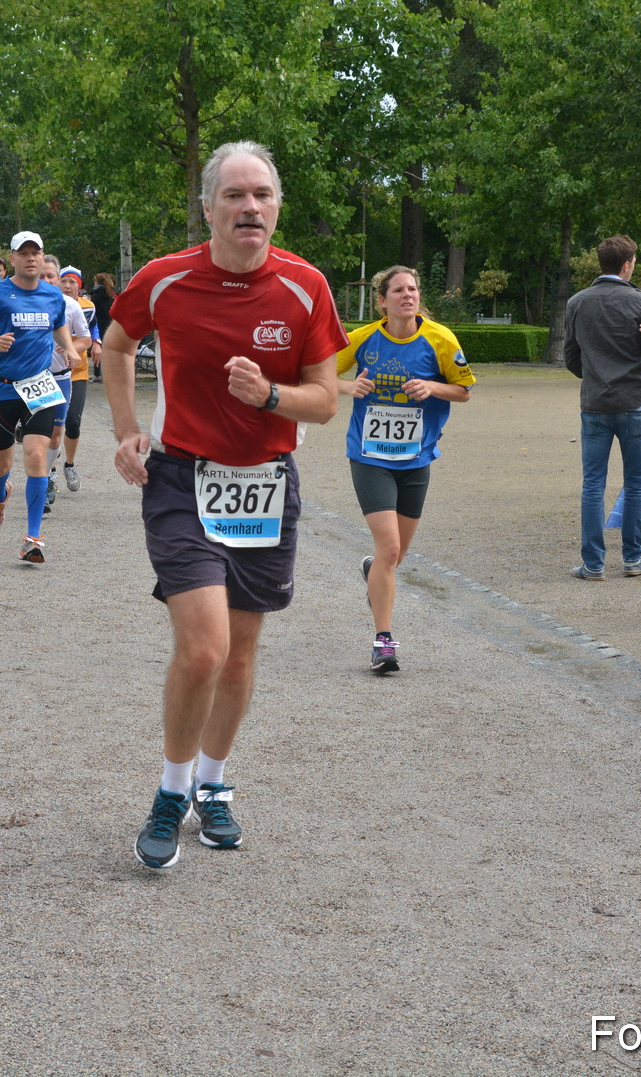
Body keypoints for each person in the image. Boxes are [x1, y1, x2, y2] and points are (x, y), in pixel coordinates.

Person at [104, 141, 346, 870]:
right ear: (208, 207)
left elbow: (326, 401)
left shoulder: (305, 287)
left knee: (240, 655)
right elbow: (114, 345)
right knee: (203, 646)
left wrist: (270, 396)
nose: (250, 207)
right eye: (235, 195)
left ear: (277, 206)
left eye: (263, 195)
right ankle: (172, 790)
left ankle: (215, 783)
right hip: (182, 479)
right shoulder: (167, 279)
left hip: (267, 483)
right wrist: (124, 430)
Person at [337, 265, 474, 674]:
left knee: (393, 557)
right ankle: (383, 642)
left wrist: (433, 387)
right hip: (370, 457)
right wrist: (348, 386)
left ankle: (374, 572)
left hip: (416, 460)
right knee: (390, 548)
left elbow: (464, 390)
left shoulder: (439, 338)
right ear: (382, 300)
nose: (407, 295)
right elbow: (320, 373)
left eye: (412, 288)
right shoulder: (363, 338)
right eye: (398, 290)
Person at [0, 231, 74, 562]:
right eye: (24, 253)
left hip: (39, 387)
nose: (31, 258)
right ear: (13, 259)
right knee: (2, 462)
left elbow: (58, 322)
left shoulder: (53, 296)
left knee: (37, 456)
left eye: (36, 252)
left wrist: (66, 345)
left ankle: (33, 538)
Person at [564, 235, 641, 581]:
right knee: (635, 483)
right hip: (634, 400)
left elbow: (570, 355)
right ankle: (632, 559)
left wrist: (592, 375)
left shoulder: (578, 301)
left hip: (596, 402)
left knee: (593, 484)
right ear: (627, 264)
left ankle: (593, 564)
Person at [39, 255, 93, 508]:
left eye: (51, 276)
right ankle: (43, 477)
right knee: (36, 433)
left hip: (62, 377)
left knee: (57, 433)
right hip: (30, 377)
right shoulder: (20, 301)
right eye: (42, 276)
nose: (47, 281)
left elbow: (86, 338)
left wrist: (71, 348)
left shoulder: (70, 306)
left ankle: (52, 472)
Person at [56, 265, 99, 490]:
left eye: (73, 282)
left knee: (72, 421)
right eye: (64, 281)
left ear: (79, 286)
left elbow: (92, 330)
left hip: (77, 371)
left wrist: (97, 342)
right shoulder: (47, 302)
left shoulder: (87, 306)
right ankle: (49, 472)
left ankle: (69, 464)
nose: (68, 285)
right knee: (49, 426)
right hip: (48, 372)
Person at [87, 272, 117, 380]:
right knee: (108, 350)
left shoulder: (95, 295)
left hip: (98, 323)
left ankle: (97, 374)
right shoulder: (111, 294)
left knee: (97, 348)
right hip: (109, 323)